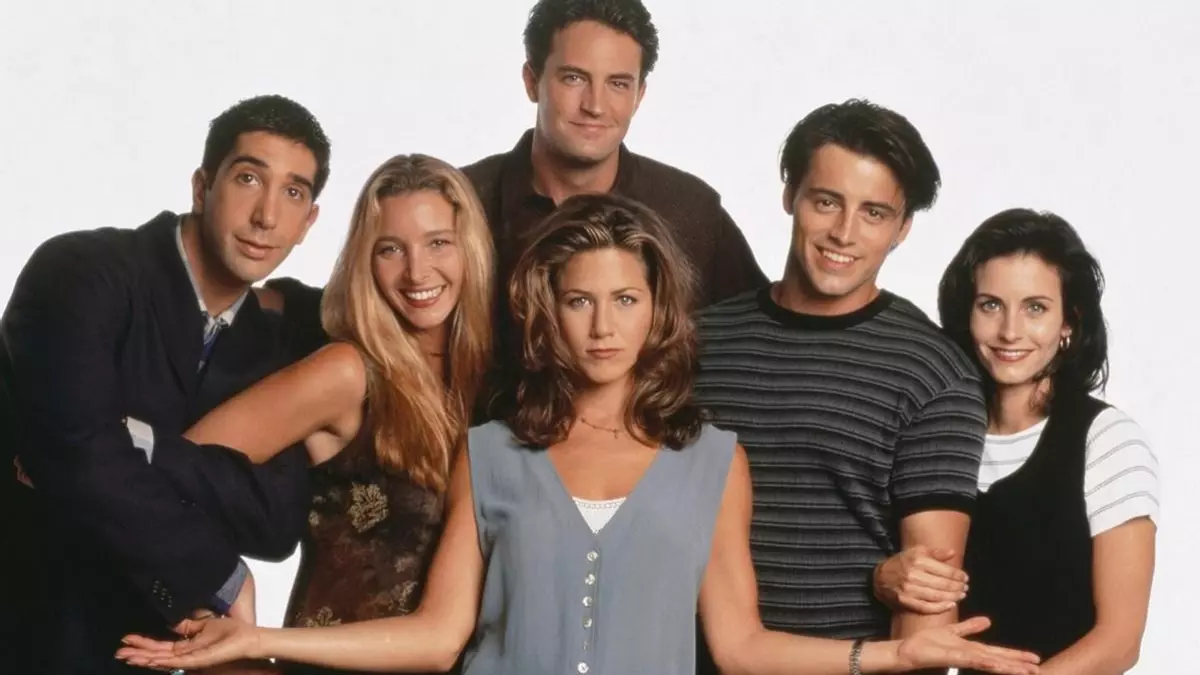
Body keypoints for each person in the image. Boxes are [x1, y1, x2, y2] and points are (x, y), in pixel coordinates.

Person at [115, 194, 1040, 675]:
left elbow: (742, 646)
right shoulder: (491, 452)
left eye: (626, 300)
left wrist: (894, 653)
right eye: (579, 301)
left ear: (658, 312)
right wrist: (260, 642)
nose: (603, 326)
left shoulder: (715, 462)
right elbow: (436, 635)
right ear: (545, 311)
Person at [0, 94, 331, 674]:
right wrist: (222, 574)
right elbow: (77, 453)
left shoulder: (277, 343)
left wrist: (135, 440)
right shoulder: (81, 272)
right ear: (202, 187)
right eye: (249, 178)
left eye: (294, 193)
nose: (267, 216)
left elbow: (276, 519)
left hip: (139, 652)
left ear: (309, 223)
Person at [151, 154, 494, 675]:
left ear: (470, 248)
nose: (417, 270)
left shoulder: (490, 385)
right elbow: (166, 475)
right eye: (390, 249)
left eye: (438, 243)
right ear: (365, 261)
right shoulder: (348, 373)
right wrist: (220, 594)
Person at [693, 100, 987, 661]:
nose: (844, 233)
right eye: (826, 202)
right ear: (790, 195)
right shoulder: (695, 342)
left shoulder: (933, 372)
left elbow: (928, 599)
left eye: (874, 213)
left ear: (902, 228)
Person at [871, 209, 1158, 674]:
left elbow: (1119, 641)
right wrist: (882, 579)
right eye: (990, 305)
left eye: (1035, 308)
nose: (1009, 331)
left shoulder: (1107, 442)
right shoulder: (933, 433)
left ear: (1069, 321)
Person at [462, 0, 767, 417]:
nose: (595, 105)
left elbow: (761, 334)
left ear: (640, 94)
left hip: (652, 450)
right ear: (532, 81)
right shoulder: (461, 203)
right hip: (478, 450)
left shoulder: (690, 211)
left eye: (618, 84)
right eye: (574, 78)